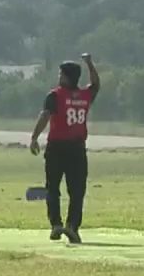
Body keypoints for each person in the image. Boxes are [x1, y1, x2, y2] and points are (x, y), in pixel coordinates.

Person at [29, 53, 100, 244]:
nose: (59, 77)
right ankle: (72, 227)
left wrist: (34, 137)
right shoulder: (85, 96)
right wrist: (90, 64)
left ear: (67, 77)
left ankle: (56, 225)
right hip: (77, 149)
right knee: (77, 191)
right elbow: (96, 85)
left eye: (61, 74)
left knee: (52, 188)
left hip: (57, 148)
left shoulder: (54, 95)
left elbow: (44, 116)